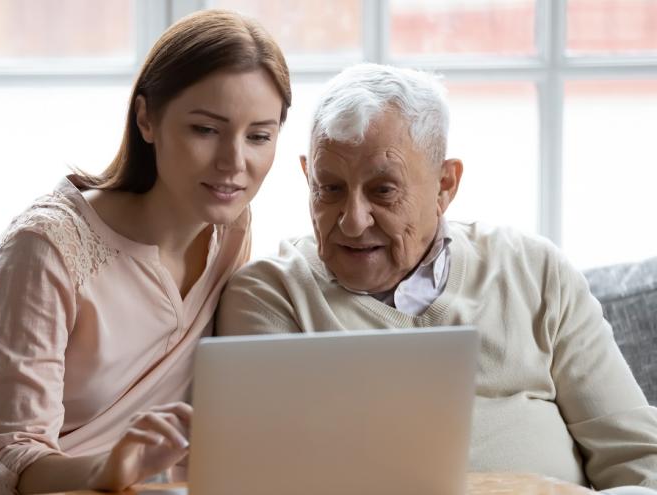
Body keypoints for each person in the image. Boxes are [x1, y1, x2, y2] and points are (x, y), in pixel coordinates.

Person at [0, 9, 290, 495]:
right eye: (205, 130)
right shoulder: (42, 251)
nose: (234, 163)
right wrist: (109, 467)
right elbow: (9, 461)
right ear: (147, 118)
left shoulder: (228, 230)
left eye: (258, 136)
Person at [215, 62, 657, 492]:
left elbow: (639, 460)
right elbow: (269, 482)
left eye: (383, 190)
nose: (352, 220)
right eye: (330, 188)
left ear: (445, 185)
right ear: (307, 176)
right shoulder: (270, 297)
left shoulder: (535, 270)